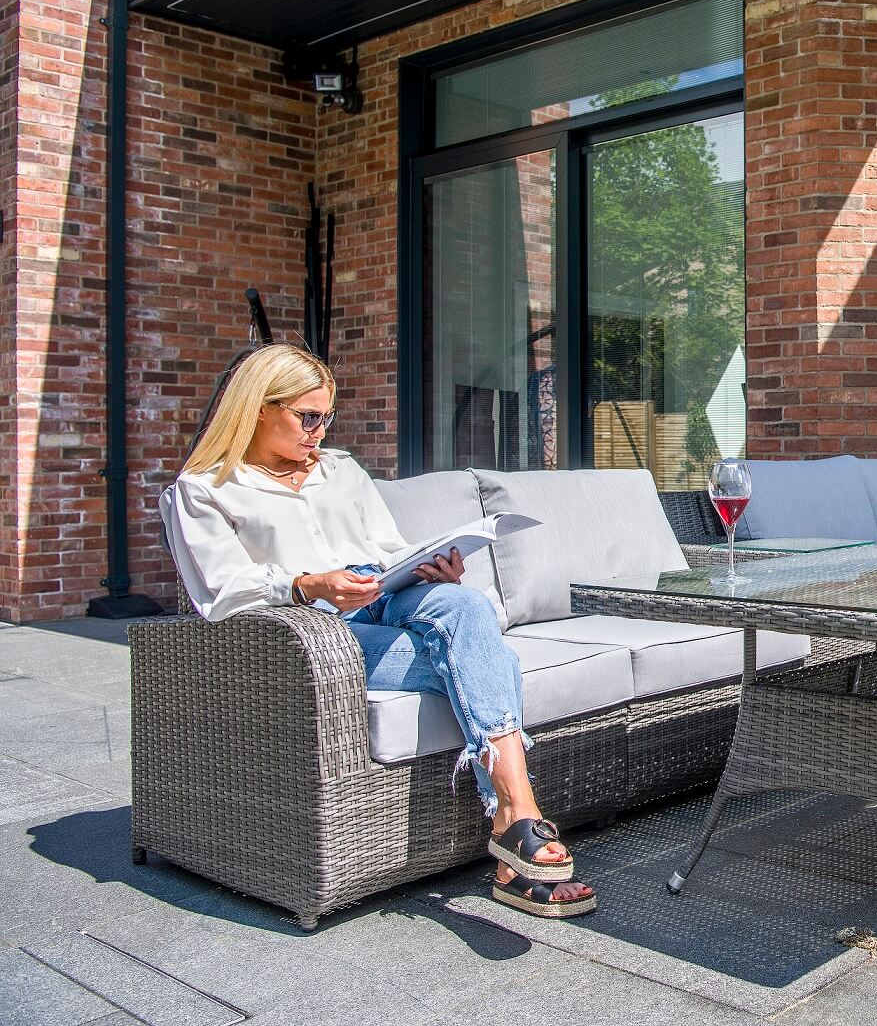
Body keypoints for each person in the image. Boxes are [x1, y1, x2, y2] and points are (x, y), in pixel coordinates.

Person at [162, 343, 595, 919]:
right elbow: (219, 593)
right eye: (307, 416)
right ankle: (515, 828)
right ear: (258, 408)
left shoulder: (342, 471)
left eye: (326, 417)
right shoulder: (205, 488)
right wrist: (309, 584)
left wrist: (430, 566)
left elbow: (389, 551)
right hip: (309, 627)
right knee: (488, 661)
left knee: (464, 609)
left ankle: (515, 816)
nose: (319, 431)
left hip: (382, 593)